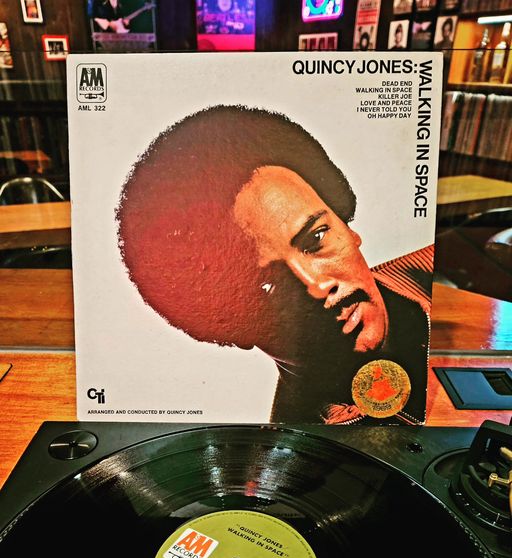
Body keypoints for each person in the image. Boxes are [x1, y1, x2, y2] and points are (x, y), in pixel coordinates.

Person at [117, 106, 433, 425]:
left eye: (316, 238)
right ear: (230, 326)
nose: (317, 286)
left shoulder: (446, 279)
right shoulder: (287, 450)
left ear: (347, 227)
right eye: (266, 284)